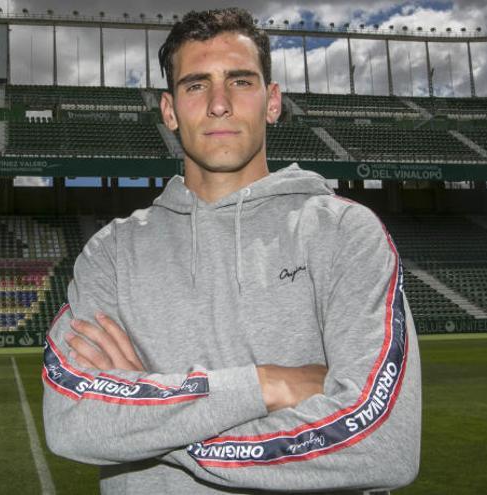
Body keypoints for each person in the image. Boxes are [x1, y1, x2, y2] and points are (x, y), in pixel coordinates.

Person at [41, 7, 421, 494]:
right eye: (197, 85)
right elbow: (73, 419)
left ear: (272, 101)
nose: (219, 103)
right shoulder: (111, 254)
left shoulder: (346, 232)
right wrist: (265, 385)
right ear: (169, 110)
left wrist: (148, 416)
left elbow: (381, 442)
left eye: (240, 81)